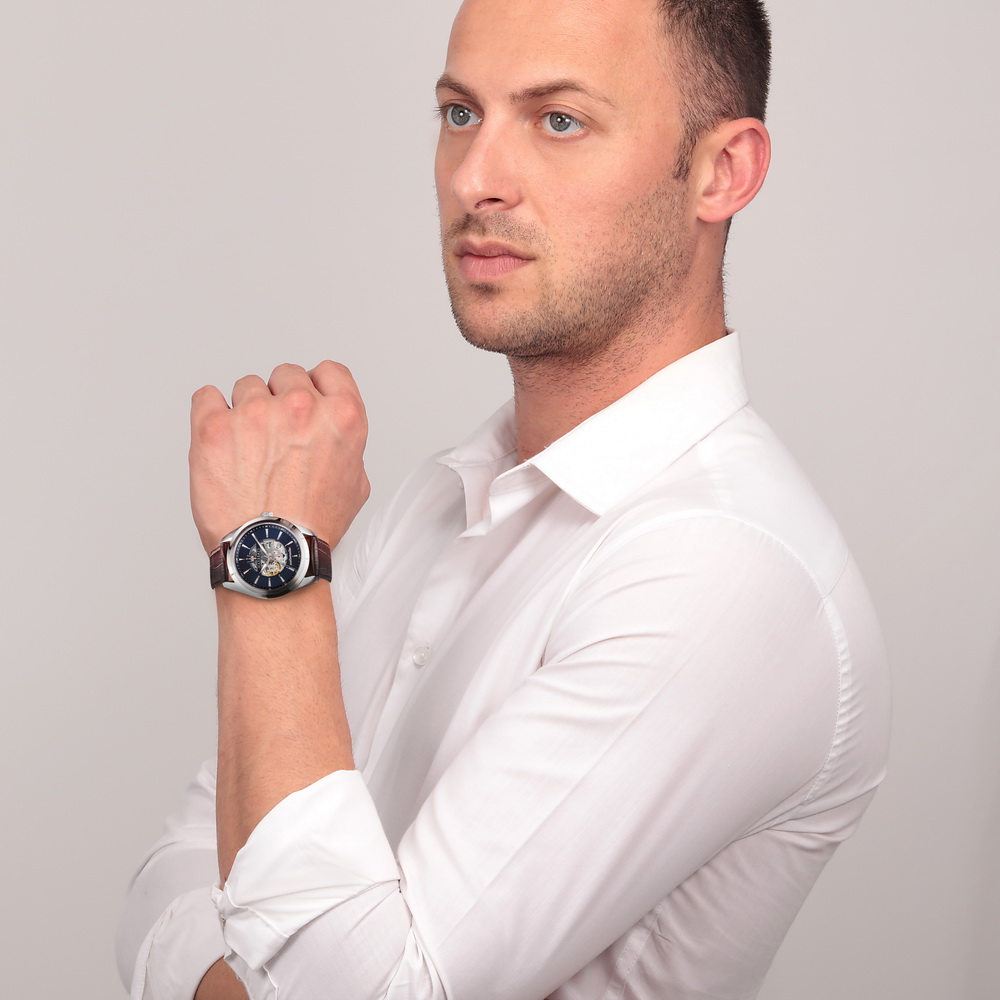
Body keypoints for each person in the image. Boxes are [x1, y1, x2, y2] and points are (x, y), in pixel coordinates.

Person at [116, 0, 891, 997]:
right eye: (459, 114)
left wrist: (271, 558)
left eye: (558, 119)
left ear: (721, 171)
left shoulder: (726, 568)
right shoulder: (441, 500)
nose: (473, 178)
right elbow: (174, 874)